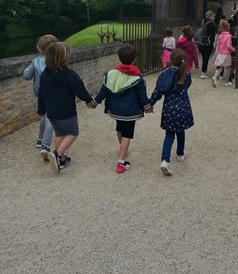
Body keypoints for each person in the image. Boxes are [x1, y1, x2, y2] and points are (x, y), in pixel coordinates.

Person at [92, 43, 153, 173]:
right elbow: (142, 96)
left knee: (119, 129)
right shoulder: (137, 78)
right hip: (129, 112)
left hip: (115, 110)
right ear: (134, 59)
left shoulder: (111, 74)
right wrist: (148, 107)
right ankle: (121, 162)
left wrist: (95, 102)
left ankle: (122, 149)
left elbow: (103, 91)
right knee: (127, 134)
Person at [38, 42, 94, 174]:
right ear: (64, 58)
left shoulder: (45, 74)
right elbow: (80, 90)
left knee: (60, 134)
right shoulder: (70, 75)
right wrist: (88, 100)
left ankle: (61, 160)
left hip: (52, 112)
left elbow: (41, 94)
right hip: (66, 112)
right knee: (72, 133)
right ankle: (57, 154)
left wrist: (41, 110)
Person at [150, 48, 194, 176]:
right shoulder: (186, 75)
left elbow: (158, 92)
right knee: (181, 131)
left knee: (169, 135)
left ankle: (165, 160)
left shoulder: (164, 75)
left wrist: (149, 104)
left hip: (169, 108)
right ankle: (180, 153)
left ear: (170, 60)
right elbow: (187, 85)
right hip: (182, 107)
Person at [23, 34, 58, 159]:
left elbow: (26, 75)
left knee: (44, 115)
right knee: (51, 118)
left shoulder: (36, 61)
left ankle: (40, 139)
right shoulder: (56, 61)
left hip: (40, 93)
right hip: (54, 93)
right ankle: (45, 146)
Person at [212, 19, 235, 87]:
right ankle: (227, 81)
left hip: (220, 53)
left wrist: (219, 52)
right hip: (226, 54)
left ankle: (215, 76)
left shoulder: (220, 36)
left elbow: (218, 45)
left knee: (220, 68)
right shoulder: (229, 36)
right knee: (228, 67)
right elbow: (228, 46)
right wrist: (233, 49)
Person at [196, 10, 216, 79]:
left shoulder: (201, 21)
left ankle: (205, 70)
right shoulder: (211, 24)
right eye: (213, 16)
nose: (214, 17)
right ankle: (203, 72)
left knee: (204, 57)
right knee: (206, 58)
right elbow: (212, 34)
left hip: (201, 42)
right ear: (210, 16)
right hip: (208, 43)